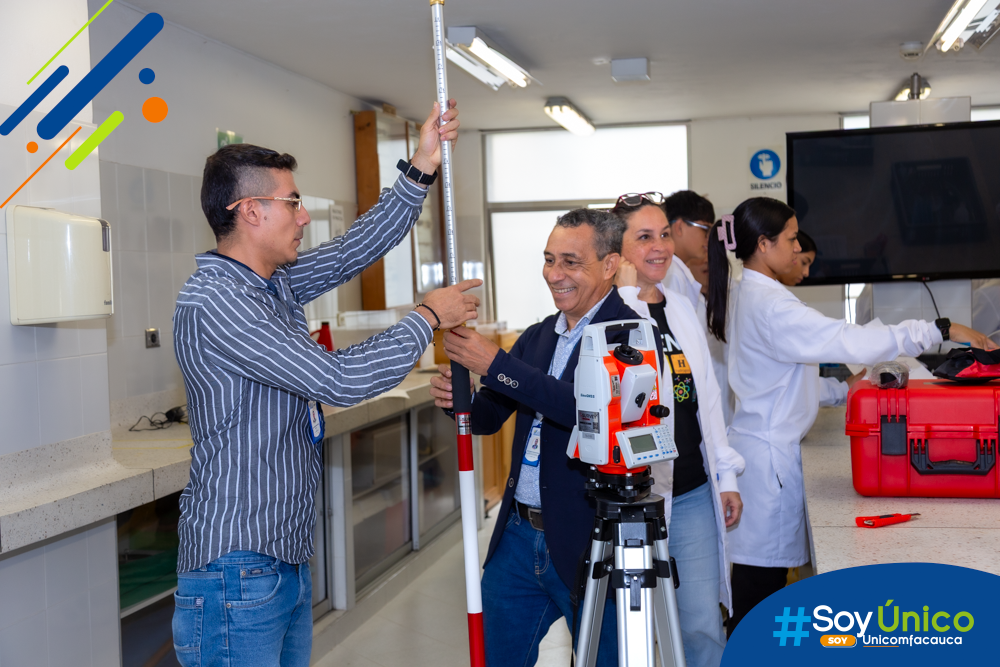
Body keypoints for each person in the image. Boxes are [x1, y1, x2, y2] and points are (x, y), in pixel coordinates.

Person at [171, 102, 480, 667]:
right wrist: (427, 317)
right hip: (236, 566)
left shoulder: (270, 286)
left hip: (277, 558)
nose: (304, 215)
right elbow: (340, 379)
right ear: (250, 211)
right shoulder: (218, 301)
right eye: (292, 202)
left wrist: (422, 165)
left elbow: (353, 250)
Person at [705, 197, 998, 636]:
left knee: (755, 590)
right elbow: (850, 341)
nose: (795, 248)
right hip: (767, 469)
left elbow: (781, 380)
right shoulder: (772, 306)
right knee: (758, 600)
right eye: (789, 239)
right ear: (763, 245)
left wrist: (843, 391)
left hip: (761, 453)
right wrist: (937, 328)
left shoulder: (749, 292)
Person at [430, 209, 658, 667]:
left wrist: (497, 365)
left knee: (604, 658)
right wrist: (460, 400)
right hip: (516, 535)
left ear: (610, 265)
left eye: (571, 262)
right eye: (549, 259)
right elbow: (489, 417)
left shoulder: (629, 335)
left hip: (587, 536)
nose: (555, 275)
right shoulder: (538, 337)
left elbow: (587, 412)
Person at [611, 192, 744, 667]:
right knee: (636, 632)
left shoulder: (682, 309)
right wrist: (625, 297)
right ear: (616, 249)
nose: (660, 246)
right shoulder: (606, 316)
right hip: (633, 501)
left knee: (703, 623)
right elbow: (622, 395)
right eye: (643, 237)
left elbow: (707, 403)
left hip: (690, 492)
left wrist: (725, 477)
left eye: (664, 234)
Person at [663, 190, 716, 311]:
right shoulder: (671, 274)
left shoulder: (677, 270)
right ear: (679, 227)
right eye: (705, 229)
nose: (708, 238)